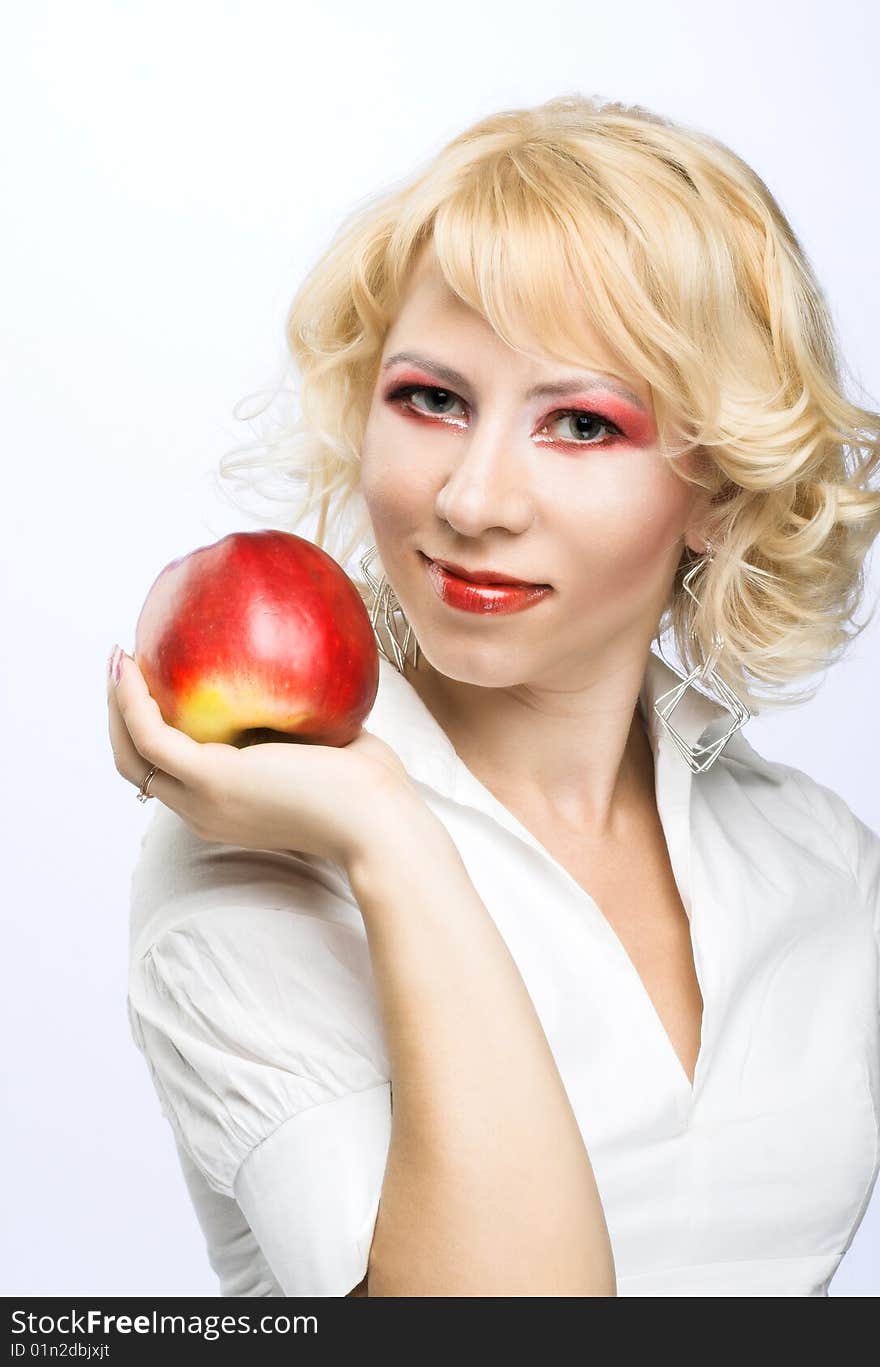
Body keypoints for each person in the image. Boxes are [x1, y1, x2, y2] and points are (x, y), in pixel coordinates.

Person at [107, 94, 880, 1297]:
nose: (471, 499)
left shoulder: (822, 863)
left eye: (578, 422)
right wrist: (392, 838)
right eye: (431, 398)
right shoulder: (259, 860)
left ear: (722, 488)